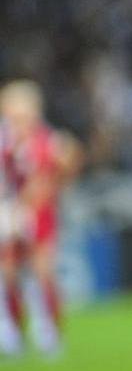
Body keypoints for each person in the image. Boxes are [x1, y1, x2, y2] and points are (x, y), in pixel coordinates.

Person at [0, 80, 82, 357]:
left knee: (42, 271)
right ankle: (12, 332)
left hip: (39, 213)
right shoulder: (6, 142)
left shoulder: (46, 141)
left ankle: (49, 333)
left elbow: (64, 166)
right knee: (8, 272)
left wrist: (53, 186)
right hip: (10, 212)